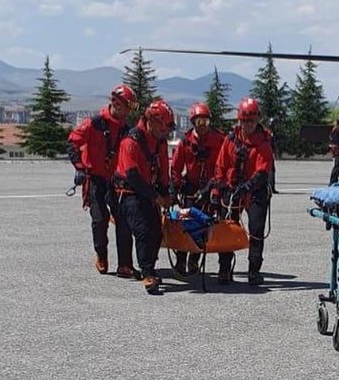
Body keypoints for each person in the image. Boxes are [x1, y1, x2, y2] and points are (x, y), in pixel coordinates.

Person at [67, 84, 139, 279]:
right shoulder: (93, 124)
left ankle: (125, 264)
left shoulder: (126, 129)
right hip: (96, 180)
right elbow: (72, 143)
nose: (128, 113)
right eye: (127, 107)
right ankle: (101, 255)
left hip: (116, 182)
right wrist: (80, 169)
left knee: (124, 221)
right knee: (100, 220)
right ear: (116, 103)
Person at [211, 97, 274, 286]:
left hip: (254, 191)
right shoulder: (231, 140)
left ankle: (254, 271)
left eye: (251, 121)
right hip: (231, 190)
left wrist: (246, 188)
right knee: (227, 230)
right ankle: (224, 270)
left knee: (256, 231)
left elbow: (262, 172)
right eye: (244, 121)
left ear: (257, 120)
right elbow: (220, 166)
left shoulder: (263, 142)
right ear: (239, 120)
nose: (248, 125)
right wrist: (217, 191)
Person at [114, 100, 175, 294]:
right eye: (162, 127)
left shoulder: (160, 143)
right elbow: (132, 176)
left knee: (156, 231)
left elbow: (164, 170)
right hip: (128, 192)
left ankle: (149, 265)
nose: (165, 132)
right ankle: (148, 272)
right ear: (151, 121)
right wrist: (156, 197)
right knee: (142, 229)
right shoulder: (131, 141)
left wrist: (166, 193)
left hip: (148, 191)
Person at [169, 102, 225, 277]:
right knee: (185, 224)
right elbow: (176, 168)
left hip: (210, 189)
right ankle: (181, 260)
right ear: (193, 122)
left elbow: (222, 166)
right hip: (190, 189)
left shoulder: (219, 141)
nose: (203, 127)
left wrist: (214, 189)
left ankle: (194, 259)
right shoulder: (185, 142)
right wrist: (175, 188)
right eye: (199, 122)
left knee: (203, 226)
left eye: (206, 122)